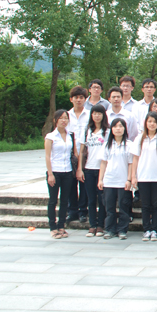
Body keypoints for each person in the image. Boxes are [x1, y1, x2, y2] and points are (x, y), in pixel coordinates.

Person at [131, 112, 157, 242]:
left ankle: (155, 229)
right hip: (143, 176)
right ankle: (146, 229)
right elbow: (135, 158)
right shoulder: (139, 139)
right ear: (145, 123)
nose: (152, 124)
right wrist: (133, 176)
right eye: (149, 121)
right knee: (145, 205)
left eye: (154, 121)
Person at [98, 118, 133, 240]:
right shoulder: (107, 145)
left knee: (124, 207)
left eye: (121, 126)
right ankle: (109, 229)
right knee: (109, 207)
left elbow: (131, 163)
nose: (118, 129)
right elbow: (103, 163)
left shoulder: (129, 145)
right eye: (115, 126)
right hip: (109, 180)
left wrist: (129, 179)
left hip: (123, 181)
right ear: (111, 129)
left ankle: (122, 230)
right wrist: (100, 179)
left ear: (125, 129)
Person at [77, 104, 109, 237]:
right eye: (94, 113)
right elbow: (82, 151)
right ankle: (92, 225)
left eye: (99, 113)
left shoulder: (107, 131)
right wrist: (80, 169)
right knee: (90, 199)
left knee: (102, 199)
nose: (97, 116)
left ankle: (101, 225)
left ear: (103, 115)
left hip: (102, 170)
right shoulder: (87, 130)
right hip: (89, 169)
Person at [45, 109, 76, 239]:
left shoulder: (70, 135)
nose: (64, 121)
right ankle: (53, 227)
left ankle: (61, 225)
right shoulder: (50, 137)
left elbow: (73, 153)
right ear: (55, 120)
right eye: (61, 118)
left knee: (65, 200)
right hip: (55, 171)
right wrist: (50, 174)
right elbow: (47, 156)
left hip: (67, 171)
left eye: (66, 118)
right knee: (53, 200)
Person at [67, 86, 89, 225]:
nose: (79, 100)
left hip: (86, 153)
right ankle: (72, 211)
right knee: (71, 184)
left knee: (84, 183)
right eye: (76, 97)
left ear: (85, 99)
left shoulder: (89, 114)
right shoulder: (66, 116)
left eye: (81, 97)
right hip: (70, 154)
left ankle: (83, 211)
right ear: (71, 99)